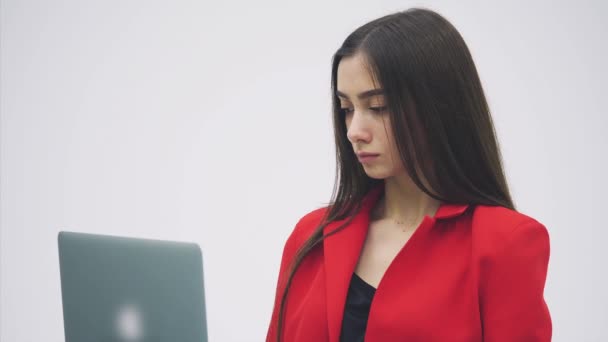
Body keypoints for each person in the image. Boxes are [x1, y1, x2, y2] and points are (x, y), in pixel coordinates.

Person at [266, 7, 552, 342]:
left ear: (439, 107)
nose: (354, 131)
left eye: (378, 107)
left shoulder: (504, 243)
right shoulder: (311, 236)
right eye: (346, 110)